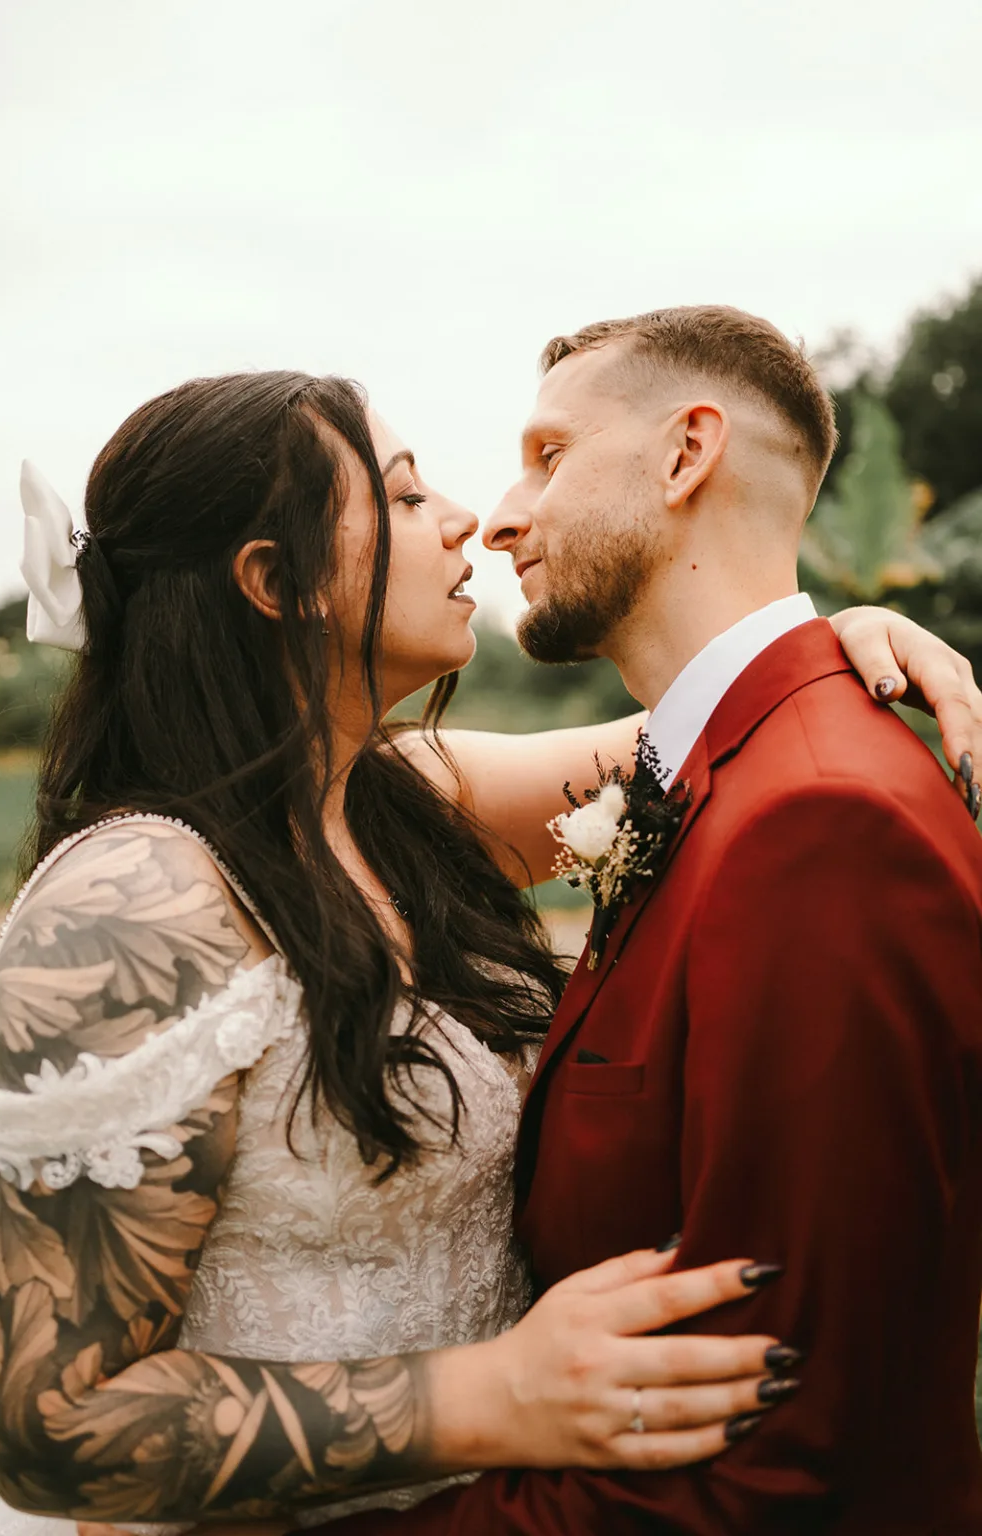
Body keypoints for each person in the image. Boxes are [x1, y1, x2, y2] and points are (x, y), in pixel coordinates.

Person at [0, 365, 979, 1535]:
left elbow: (721, 719)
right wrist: (490, 1399)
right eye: (401, 497)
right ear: (276, 581)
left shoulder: (408, 800)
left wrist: (839, 632)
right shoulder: (130, 903)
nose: (465, 520)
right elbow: (48, 1428)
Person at [321, 307, 982, 1534]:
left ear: (687, 456)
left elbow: (773, 1452)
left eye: (548, 455)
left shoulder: (820, 826)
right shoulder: (715, 774)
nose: (501, 515)